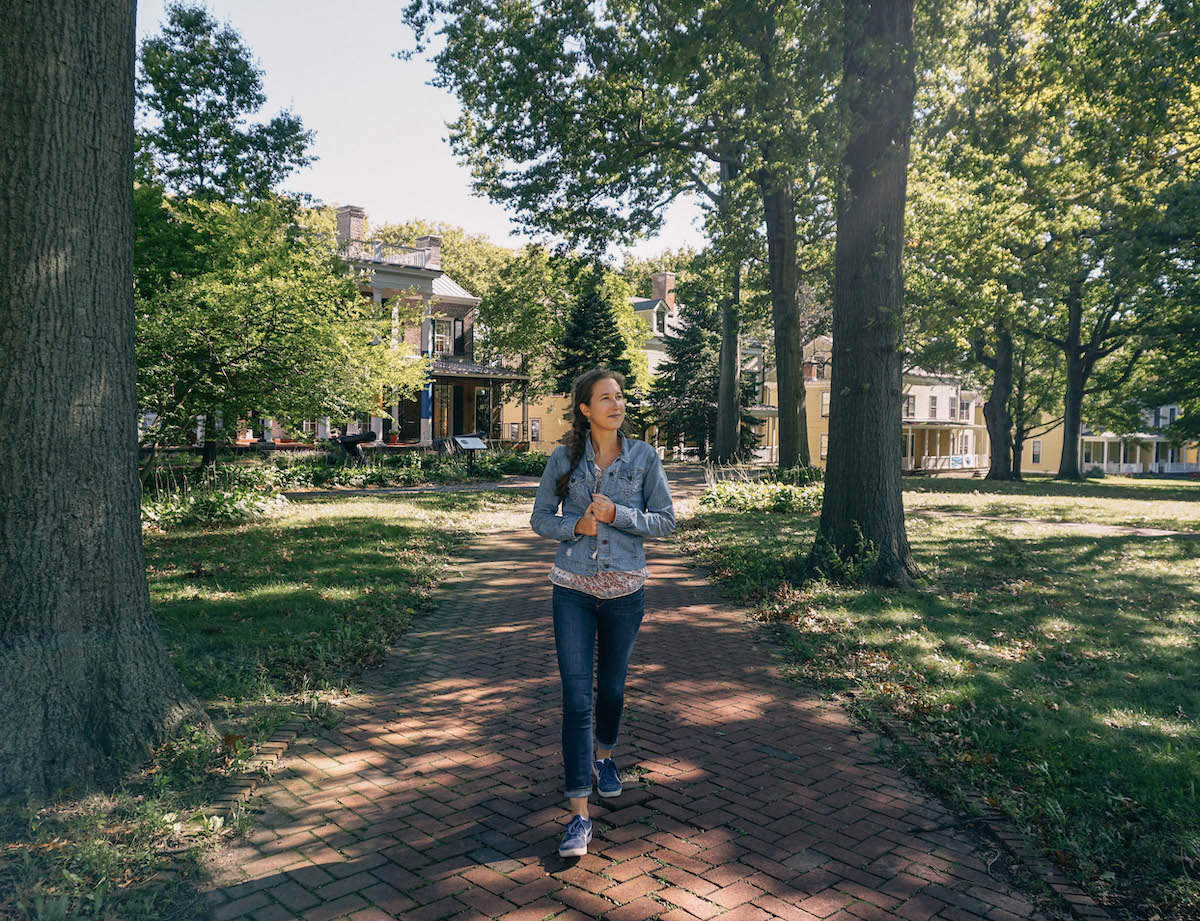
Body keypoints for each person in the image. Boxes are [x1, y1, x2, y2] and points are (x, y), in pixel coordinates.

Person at [530, 368, 676, 858]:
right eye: (605, 398)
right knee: (576, 699)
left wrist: (619, 516)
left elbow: (666, 521)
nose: (616, 404)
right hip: (571, 588)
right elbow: (539, 519)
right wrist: (577, 527)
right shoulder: (564, 458)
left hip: (625, 591)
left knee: (611, 688)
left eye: (620, 397)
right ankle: (577, 816)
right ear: (586, 409)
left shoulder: (644, 457)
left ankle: (606, 757)